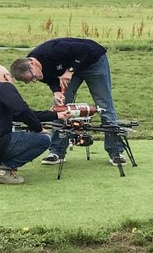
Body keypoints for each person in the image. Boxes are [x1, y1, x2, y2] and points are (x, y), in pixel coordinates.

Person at [10, 37, 125, 166]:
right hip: (69, 70)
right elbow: (50, 79)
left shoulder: (50, 50)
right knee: (61, 108)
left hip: (93, 61)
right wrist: (57, 91)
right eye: (31, 80)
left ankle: (116, 152)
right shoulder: (36, 71)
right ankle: (56, 152)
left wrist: (70, 71)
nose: (35, 80)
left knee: (104, 106)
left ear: (32, 63)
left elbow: (84, 49)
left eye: (33, 77)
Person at [0, 64, 71, 184]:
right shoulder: (4, 87)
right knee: (44, 139)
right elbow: (22, 110)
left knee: (7, 135)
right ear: (6, 76)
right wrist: (38, 129)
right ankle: (3, 170)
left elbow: (21, 114)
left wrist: (55, 115)